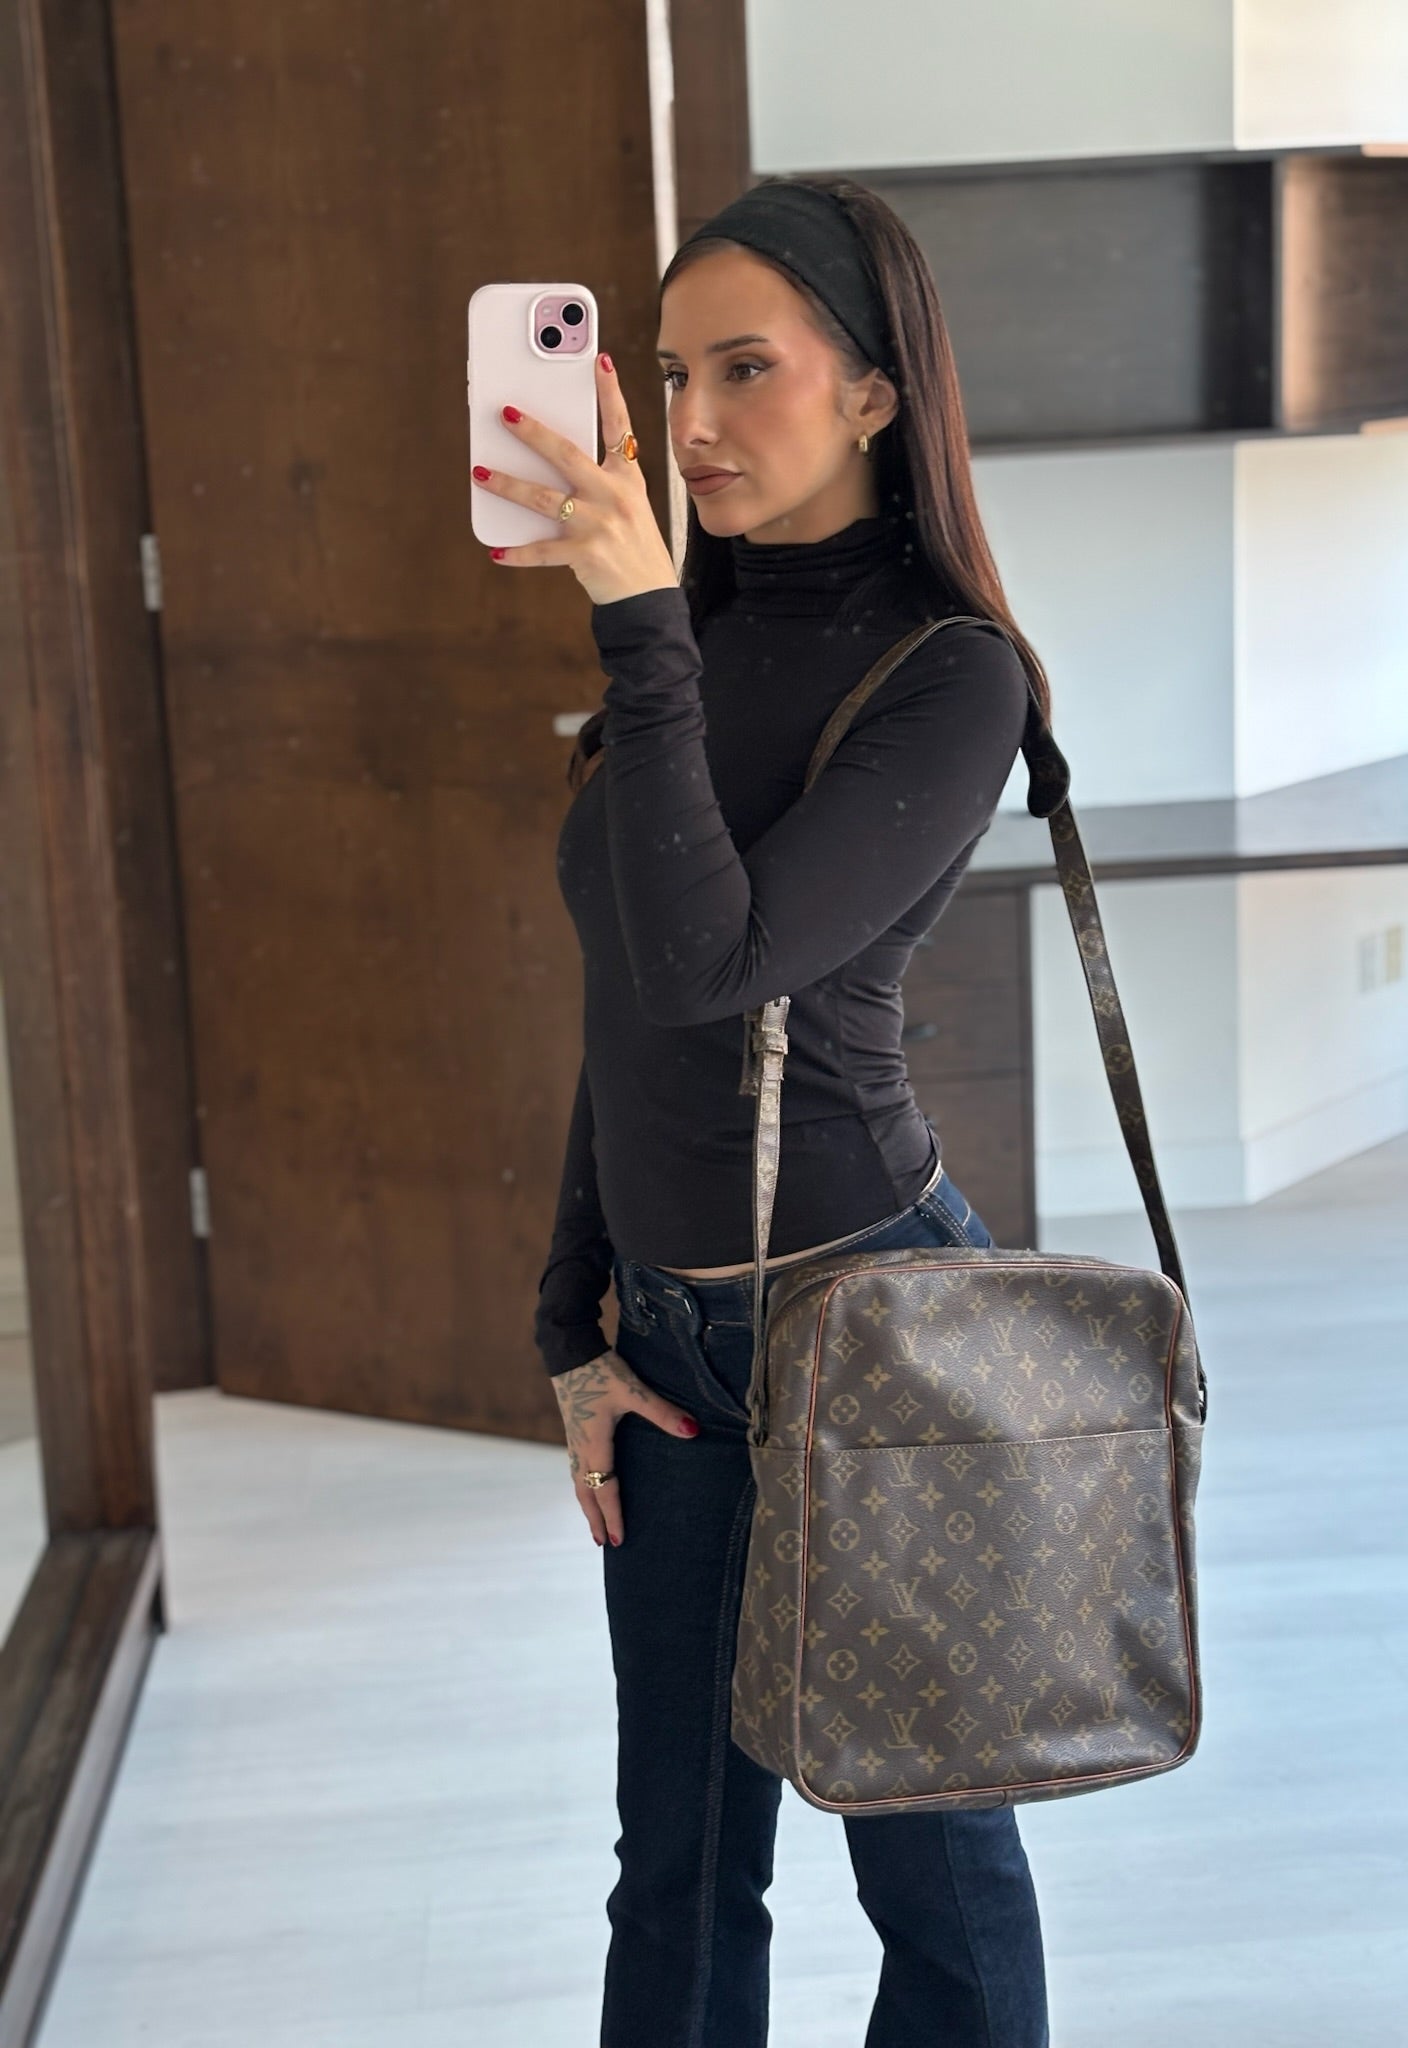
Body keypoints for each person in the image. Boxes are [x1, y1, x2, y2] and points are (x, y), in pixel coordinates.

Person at [476, 174, 1052, 2048]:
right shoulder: (688, 642)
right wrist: (575, 1325)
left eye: (747, 370)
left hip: (869, 1315)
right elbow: (626, 1012)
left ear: (876, 393)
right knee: (679, 1863)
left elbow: (719, 967)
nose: (693, 423)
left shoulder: (951, 677)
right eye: (669, 375)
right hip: (670, 1339)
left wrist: (642, 625)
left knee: (927, 1863)